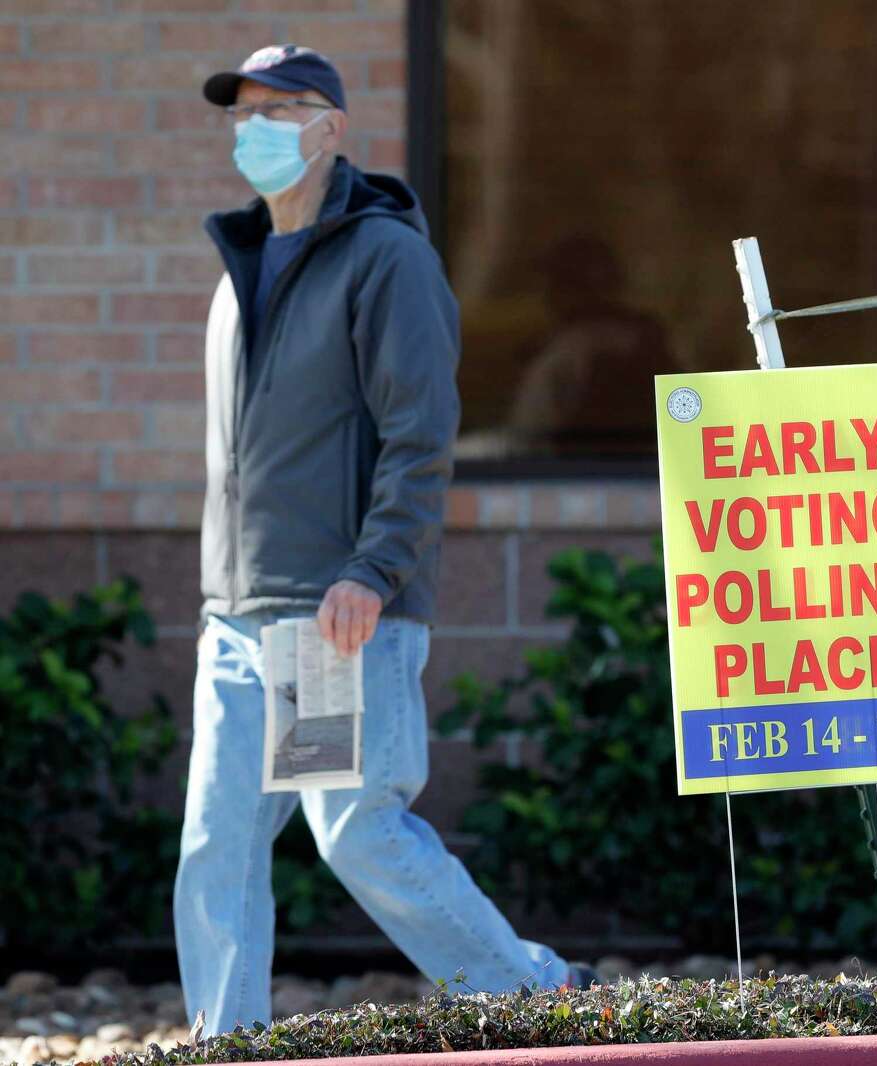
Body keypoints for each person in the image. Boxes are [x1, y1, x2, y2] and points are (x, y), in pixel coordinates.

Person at [174, 44, 585, 1038]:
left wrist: (373, 569)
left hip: (331, 617)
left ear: (331, 127)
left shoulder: (384, 257)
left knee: (355, 830)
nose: (257, 129)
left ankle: (525, 990)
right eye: (245, 112)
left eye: (282, 110)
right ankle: (221, 1044)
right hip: (237, 619)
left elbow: (419, 433)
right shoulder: (241, 272)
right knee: (215, 847)